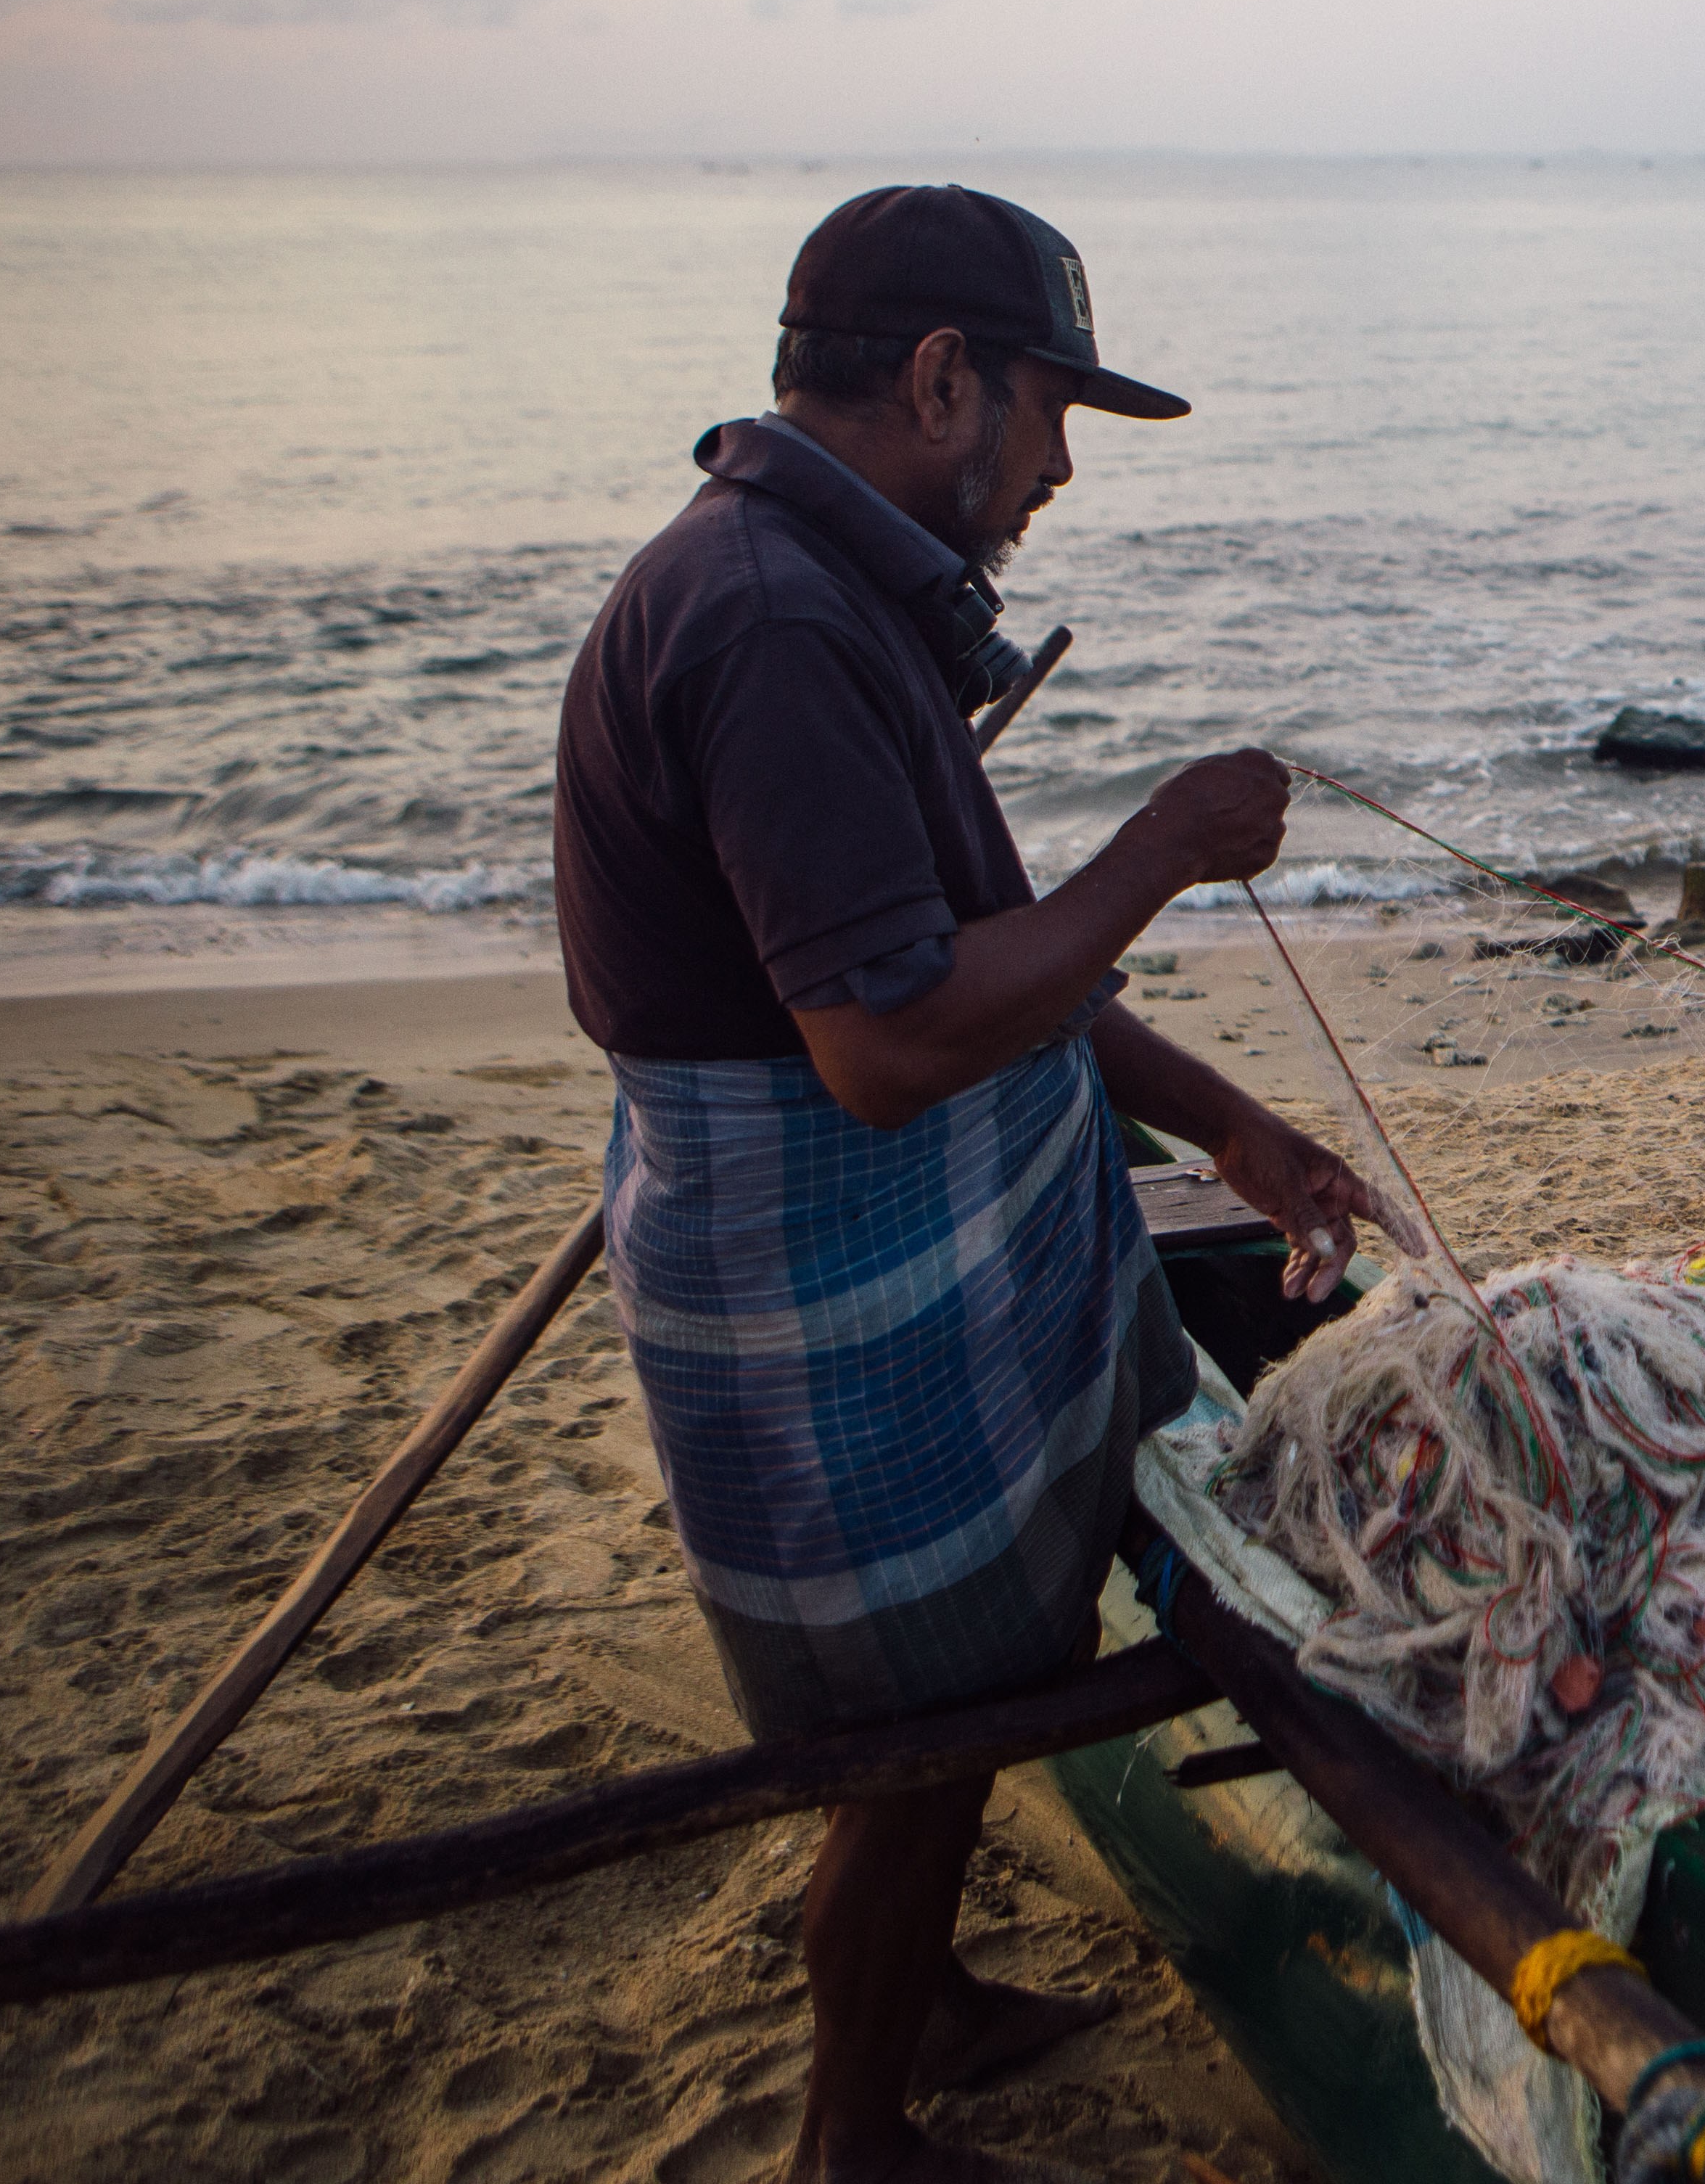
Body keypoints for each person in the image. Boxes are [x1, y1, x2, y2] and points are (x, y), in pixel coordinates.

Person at [554, 184, 1385, 2184]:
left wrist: (1226, 1123)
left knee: (951, 1704)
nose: (1058, 469)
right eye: (1048, 412)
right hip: (828, 1290)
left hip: (904, 1264)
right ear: (941, 381)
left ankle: (920, 2006)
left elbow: (985, 958)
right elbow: (891, 1037)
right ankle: (853, 2141)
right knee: (916, 1737)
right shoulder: (769, 621)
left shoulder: (826, 589)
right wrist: (1161, 846)